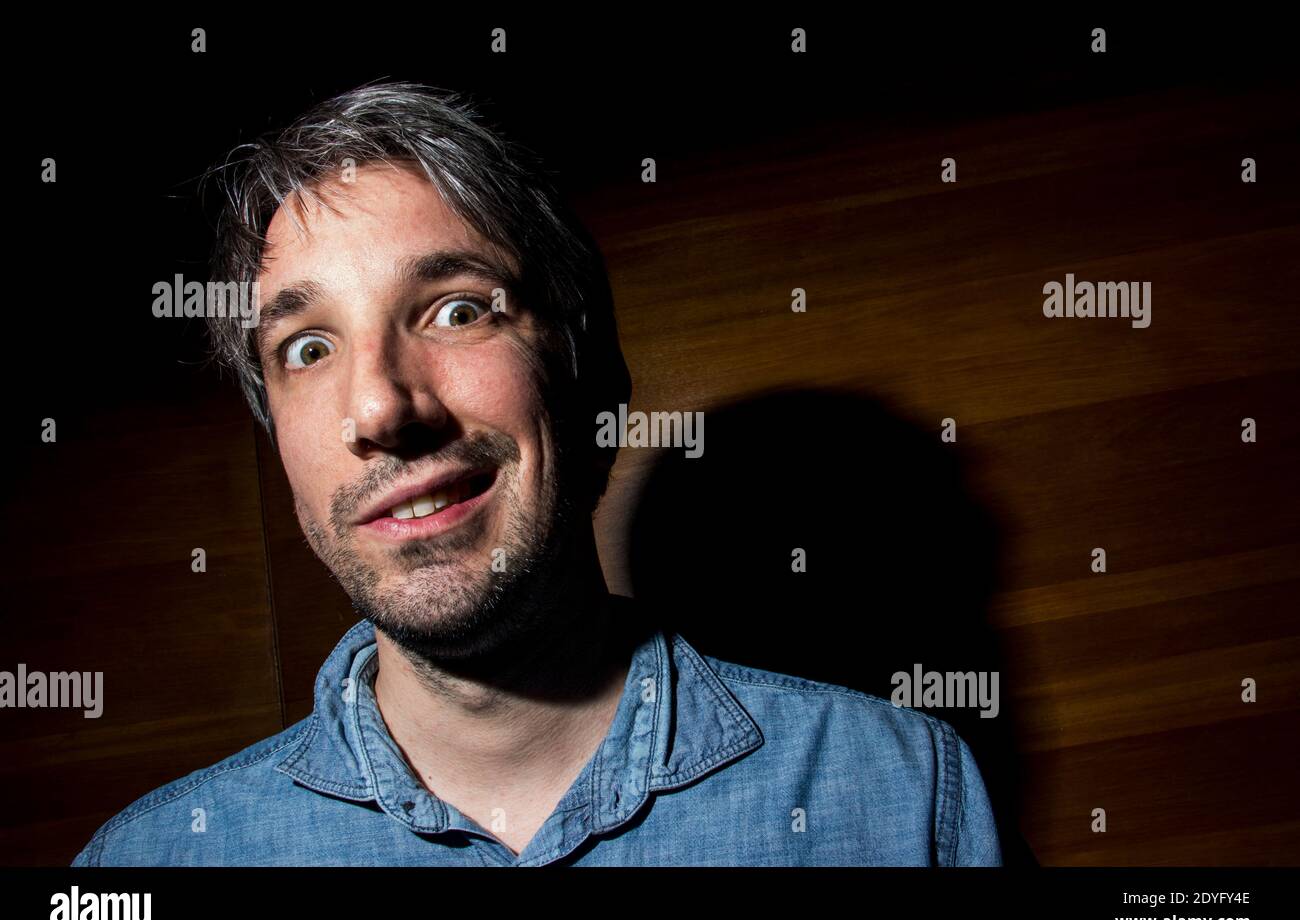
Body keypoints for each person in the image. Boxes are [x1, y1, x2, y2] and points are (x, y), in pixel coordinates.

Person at [72, 81, 1002, 866]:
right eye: (308, 347)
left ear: (590, 373)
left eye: (456, 311)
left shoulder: (905, 799)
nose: (382, 410)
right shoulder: (149, 868)